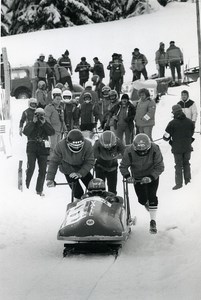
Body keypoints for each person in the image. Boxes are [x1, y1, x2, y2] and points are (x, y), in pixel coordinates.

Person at [120, 133, 165, 233]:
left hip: (152, 175)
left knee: (152, 196)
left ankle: (153, 221)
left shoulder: (155, 149)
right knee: (142, 199)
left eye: (145, 150)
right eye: (139, 151)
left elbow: (160, 166)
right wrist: (128, 176)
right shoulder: (129, 151)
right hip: (138, 177)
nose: (142, 153)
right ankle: (146, 204)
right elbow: (123, 166)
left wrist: (151, 177)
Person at [46, 129, 95, 200]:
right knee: (78, 192)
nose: (77, 147)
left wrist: (80, 173)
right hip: (68, 169)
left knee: (93, 188)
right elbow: (54, 162)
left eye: (79, 145)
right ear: (68, 142)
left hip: (82, 167)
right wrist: (50, 179)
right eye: (74, 145)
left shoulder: (87, 145)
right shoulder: (60, 146)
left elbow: (90, 161)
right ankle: (78, 202)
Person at [23, 108, 55, 196]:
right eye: (38, 114)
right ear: (34, 115)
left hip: (43, 149)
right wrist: (33, 122)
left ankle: (39, 190)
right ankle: (26, 186)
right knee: (31, 168)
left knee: (43, 170)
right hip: (32, 148)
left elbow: (51, 132)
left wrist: (44, 123)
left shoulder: (46, 123)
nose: (39, 117)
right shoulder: (31, 123)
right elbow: (25, 132)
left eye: (42, 115)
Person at [163, 104, 195, 190]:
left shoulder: (172, 123)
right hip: (188, 147)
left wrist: (167, 138)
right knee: (186, 163)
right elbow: (192, 133)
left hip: (177, 149)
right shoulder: (189, 122)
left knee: (178, 165)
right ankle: (188, 181)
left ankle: (179, 184)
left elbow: (166, 137)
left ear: (174, 113)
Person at [93, 130, 125, 194]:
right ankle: (100, 196)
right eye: (105, 145)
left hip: (113, 166)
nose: (108, 147)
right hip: (100, 166)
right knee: (99, 188)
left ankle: (112, 198)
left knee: (112, 189)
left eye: (109, 145)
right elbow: (92, 156)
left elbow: (125, 153)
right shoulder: (97, 144)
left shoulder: (118, 142)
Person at [44, 88, 66, 157]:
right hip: (52, 130)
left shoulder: (61, 108)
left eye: (60, 99)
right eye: (57, 99)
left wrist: (65, 129)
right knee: (52, 146)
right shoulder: (49, 107)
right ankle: (51, 159)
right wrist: (49, 128)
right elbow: (46, 118)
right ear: (53, 99)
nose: (59, 101)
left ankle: (57, 159)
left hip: (59, 130)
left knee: (58, 147)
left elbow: (62, 120)